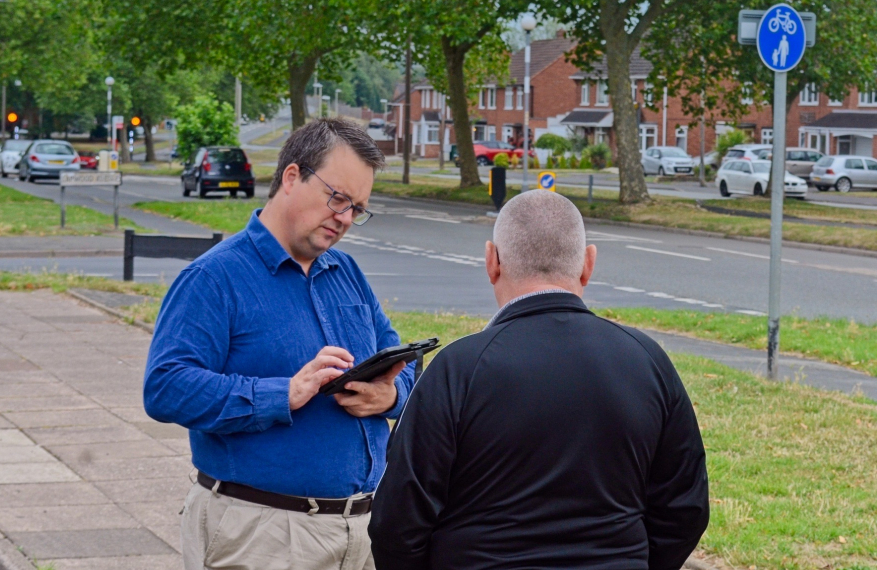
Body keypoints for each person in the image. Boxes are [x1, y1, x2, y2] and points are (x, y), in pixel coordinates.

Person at [369, 190, 709, 570]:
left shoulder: (457, 369)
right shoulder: (648, 361)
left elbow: (396, 520)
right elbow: (685, 509)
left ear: (492, 261)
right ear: (588, 264)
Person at [144, 118, 414, 570]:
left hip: (362, 533)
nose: (345, 218)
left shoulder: (346, 273)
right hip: (262, 536)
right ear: (292, 177)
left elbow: (403, 367)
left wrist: (390, 396)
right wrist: (283, 393)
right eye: (338, 198)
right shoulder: (214, 279)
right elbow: (166, 388)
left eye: (357, 208)